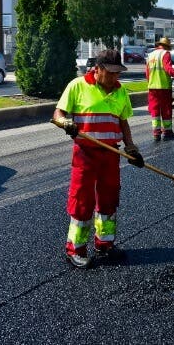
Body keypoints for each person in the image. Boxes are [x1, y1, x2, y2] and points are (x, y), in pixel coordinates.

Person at [53, 49, 144, 269]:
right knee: (82, 199)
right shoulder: (77, 85)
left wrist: (131, 147)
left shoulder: (121, 92)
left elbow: (123, 122)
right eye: (111, 73)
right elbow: (57, 115)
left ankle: (105, 244)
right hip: (85, 154)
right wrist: (66, 124)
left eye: (117, 73)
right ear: (98, 69)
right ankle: (76, 248)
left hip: (111, 154)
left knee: (109, 198)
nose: (115, 78)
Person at [145, 37, 174, 141]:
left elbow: (147, 73)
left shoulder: (150, 55)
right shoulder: (165, 54)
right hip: (164, 87)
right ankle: (167, 132)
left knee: (155, 110)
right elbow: (168, 69)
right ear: (166, 46)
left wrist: (151, 82)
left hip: (152, 87)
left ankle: (156, 133)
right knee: (166, 110)